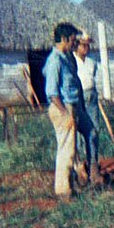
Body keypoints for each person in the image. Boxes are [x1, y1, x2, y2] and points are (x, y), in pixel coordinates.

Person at [43, 22, 96, 199]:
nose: (76, 43)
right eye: (73, 40)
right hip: (62, 108)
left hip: (75, 106)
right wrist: (66, 114)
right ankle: (64, 190)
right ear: (64, 39)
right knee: (67, 149)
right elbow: (51, 92)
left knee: (91, 132)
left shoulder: (68, 57)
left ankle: (90, 172)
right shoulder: (55, 61)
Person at [73, 32, 103, 186]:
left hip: (91, 97)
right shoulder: (72, 62)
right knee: (77, 134)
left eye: (88, 45)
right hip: (78, 99)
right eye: (83, 45)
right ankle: (79, 169)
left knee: (94, 131)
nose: (86, 48)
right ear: (76, 45)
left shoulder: (92, 63)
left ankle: (93, 166)